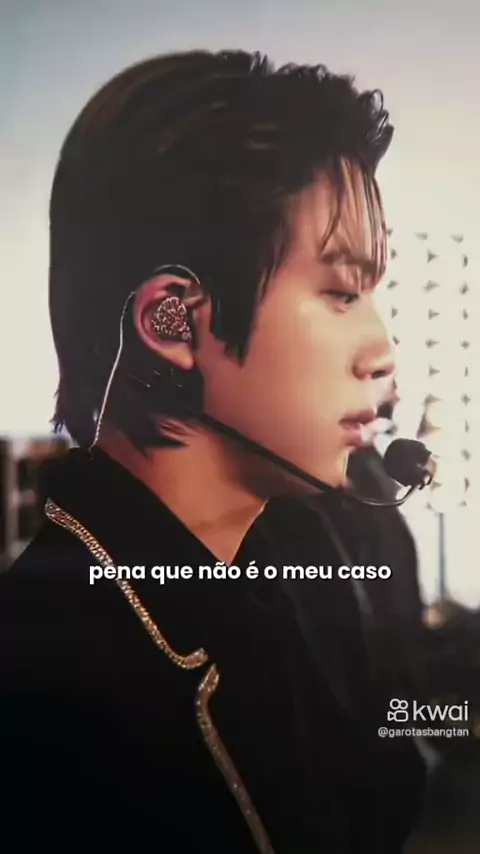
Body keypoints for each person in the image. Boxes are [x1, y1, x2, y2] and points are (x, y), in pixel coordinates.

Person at [0, 50, 427, 852]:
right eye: (341, 291)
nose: (381, 349)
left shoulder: (302, 567)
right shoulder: (39, 685)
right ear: (173, 323)